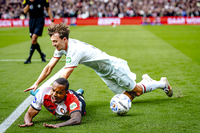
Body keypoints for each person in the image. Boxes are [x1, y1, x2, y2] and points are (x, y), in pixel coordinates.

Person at [24, 23, 173, 101]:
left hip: (113, 67)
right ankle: (145, 82)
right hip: (103, 72)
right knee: (128, 96)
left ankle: (161, 83)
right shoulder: (62, 47)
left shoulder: (75, 49)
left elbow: (64, 75)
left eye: (55, 41)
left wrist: (49, 91)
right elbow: (49, 67)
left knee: (138, 91)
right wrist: (37, 83)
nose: (53, 45)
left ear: (64, 39)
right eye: (52, 41)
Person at [19, 78, 86, 128]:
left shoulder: (73, 100)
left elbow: (76, 119)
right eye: (53, 90)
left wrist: (58, 125)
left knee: (81, 101)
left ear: (66, 93)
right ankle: (36, 92)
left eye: (58, 92)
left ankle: (79, 93)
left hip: (77, 99)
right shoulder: (43, 93)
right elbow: (29, 114)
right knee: (39, 94)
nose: (54, 94)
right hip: (57, 97)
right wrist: (27, 122)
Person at [23, 0, 54, 64]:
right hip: (32, 21)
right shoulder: (27, 0)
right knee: (34, 41)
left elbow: (48, 9)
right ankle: (42, 55)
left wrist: (52, 20)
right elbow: (24, 11)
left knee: (33, 38)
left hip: (40, 20)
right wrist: (29, 2)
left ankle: (29, 59)